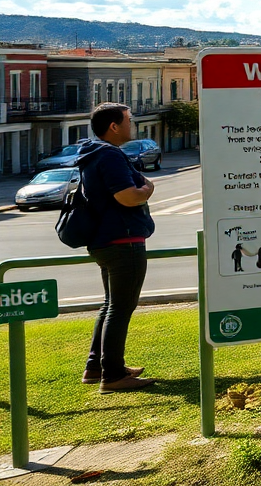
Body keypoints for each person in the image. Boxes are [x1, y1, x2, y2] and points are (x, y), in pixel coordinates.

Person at [78, 103, 155, 392]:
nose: (132, 124)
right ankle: (112, 376)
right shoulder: (110, 156)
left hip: (104, 241)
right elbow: (126, 196)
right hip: (124, 241)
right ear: (114, 126)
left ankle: (96, 367)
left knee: (111, 305)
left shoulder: (93, 153)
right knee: (121, 308)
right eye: (128, 120)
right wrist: (147, 189)